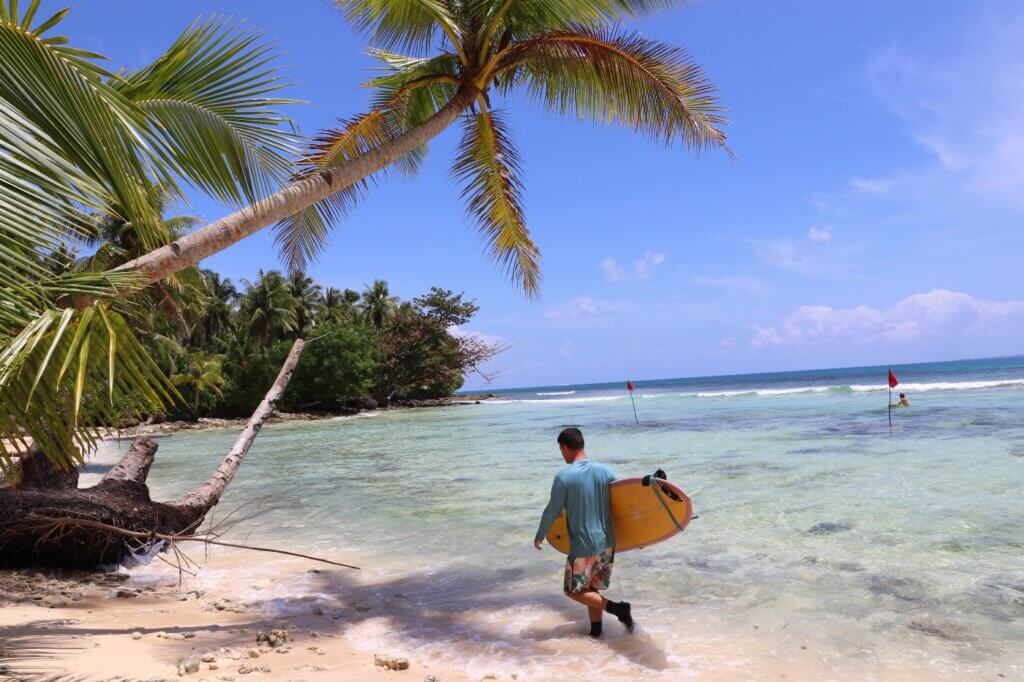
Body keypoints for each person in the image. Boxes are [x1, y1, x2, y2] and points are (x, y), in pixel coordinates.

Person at [534, 427, 634, 638]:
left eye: (560, 450)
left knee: (573, 590)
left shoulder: (564, 477)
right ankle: (596, 633)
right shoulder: (604, 471)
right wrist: (639, 537)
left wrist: (540, 534)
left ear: (565, 447)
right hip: (607, 543)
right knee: (590, 589)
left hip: (583, 545)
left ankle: (617, 609)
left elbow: (552, 510)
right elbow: (623, 500)